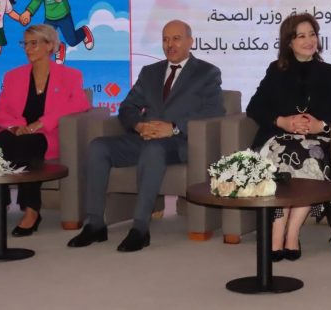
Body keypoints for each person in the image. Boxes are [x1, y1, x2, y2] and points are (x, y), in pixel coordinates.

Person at [67, 20, 224, 252]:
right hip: (143, 138)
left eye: (176, 39)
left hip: (179, 142)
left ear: (190, 42)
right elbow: (127, 107)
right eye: (165, 39)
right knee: (98, 146)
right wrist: (139, 126)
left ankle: (140, 228)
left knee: (154, 150)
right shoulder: (150, 72)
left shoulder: (207, 72)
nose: (170, 45)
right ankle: (95, 223)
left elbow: (214, 111)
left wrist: (174, 127)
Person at [246, 13, 331, 261]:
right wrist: (283, 122)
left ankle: (292, 233)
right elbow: (255, 107)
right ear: (289, 42)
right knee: (284, 157)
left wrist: (322, 125)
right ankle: (277, 233)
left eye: (312, 34)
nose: (309, 40)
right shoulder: (275, 71)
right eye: (301, 36)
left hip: (316, 142)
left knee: (308, 156)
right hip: (279, 139)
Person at [0, 24, 90, 237]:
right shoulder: (13, 76)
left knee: (27, 145)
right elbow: (0, 111)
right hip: (13, 132)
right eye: (25, 44)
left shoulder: (70, 75)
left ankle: (30, 210)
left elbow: (80, 104)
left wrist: (41, 123)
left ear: (50, 45)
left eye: (33, 43)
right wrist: (15, 127)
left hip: (45, 135)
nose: (27, 49)